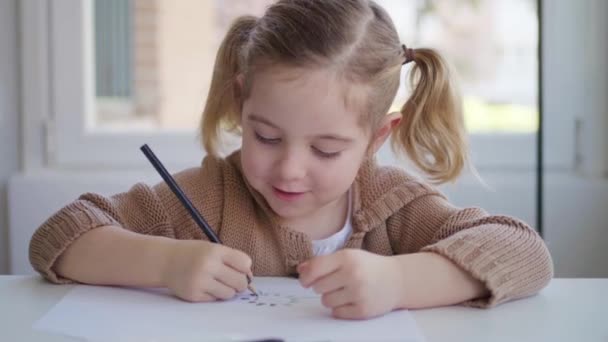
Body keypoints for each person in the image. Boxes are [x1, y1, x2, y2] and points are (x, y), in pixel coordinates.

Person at [29, 0, 553, 320]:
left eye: (326, 149)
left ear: (376, 137)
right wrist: (167, 263)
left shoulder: (393, 204)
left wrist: (399, 283)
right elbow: (59, 235)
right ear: (242, 103)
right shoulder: (208, 195)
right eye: (267, 137)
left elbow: (526, 253)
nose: (289, 170)